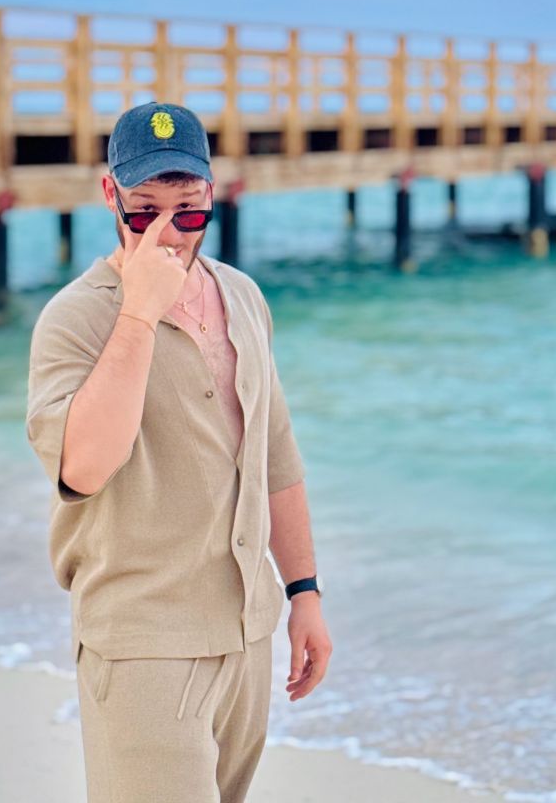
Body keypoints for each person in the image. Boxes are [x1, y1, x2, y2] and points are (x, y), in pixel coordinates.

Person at [26, 101, 332, 803]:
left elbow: (275, 456)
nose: (167, 232)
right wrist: (139, 311)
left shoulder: (241, 296)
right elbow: (83, 468)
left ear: (212, 195)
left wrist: (304, 594)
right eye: (144, 213)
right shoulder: (75, 319)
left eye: (188, 212)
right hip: (143, 640)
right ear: (110, 194)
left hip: (246, 631)